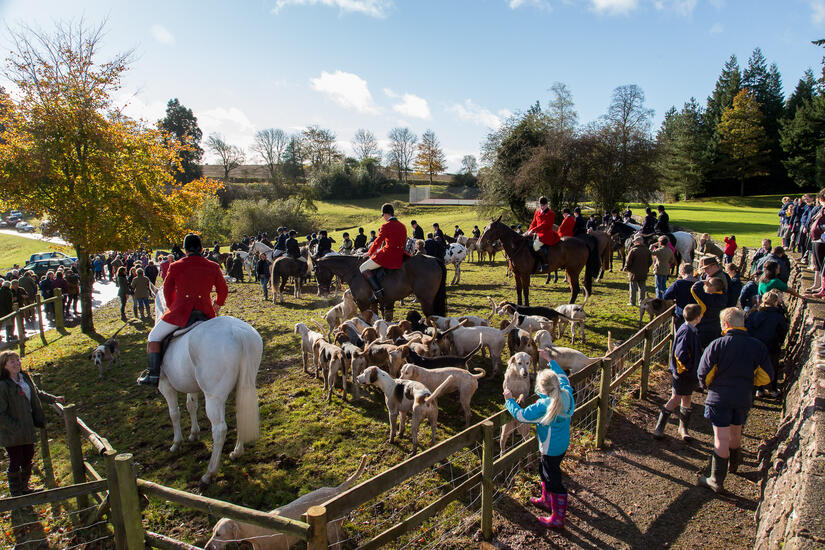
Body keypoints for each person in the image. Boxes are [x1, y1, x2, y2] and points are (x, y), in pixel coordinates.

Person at [697, 307, 773, 493]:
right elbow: (766, 376)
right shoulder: (757, 346)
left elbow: (704, 374)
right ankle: (734, 462)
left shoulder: (717, 345)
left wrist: (709, 386)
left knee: (721, 437)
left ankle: (716, 479)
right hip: (743, 396)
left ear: (725, 324)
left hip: (720, 398)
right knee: (736, 430)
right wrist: (750, 381)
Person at [138, 234, 229, 387]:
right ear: (201, 248)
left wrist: (174, 306)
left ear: (185, 249)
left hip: (180, 313)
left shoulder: (176, 266)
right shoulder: (213, 266)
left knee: (153, 336)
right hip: (205, 312)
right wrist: (217, 304)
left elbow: (167, 291)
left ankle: (153, 375)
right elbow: (223, 290)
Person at [504, 351, 575, 529]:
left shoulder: (543, 407)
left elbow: (520, 415)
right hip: (561, 444)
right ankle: (546, 498)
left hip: (549, 447)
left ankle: (558, 516)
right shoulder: (565, 392)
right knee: (544, 470)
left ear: (541, 390)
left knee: (553, 478)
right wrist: (550, 361)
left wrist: (509, 400)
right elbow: (562, 376)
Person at [0, 351, 64, 496]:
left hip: (27, 426)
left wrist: (54, 399)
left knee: (28, 456)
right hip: (12, 431)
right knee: (16, 459)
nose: (16, 363)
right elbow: (0, 413)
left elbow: (37, 393)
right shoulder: (3, 386)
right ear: (4, 366)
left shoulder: (24, 377)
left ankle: (24, 487)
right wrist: (14, 427)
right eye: (12, 362)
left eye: (17, 360)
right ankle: (16, 493)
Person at [653, 303, 703, 441]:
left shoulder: (692, 329)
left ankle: (683, 428)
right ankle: (660, 426)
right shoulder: (687, 331)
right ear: (698, 317)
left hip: (690, 373)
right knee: (675, 398)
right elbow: (680, 354)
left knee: (687, 398)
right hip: (683, 373)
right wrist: (687, 368)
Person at [360, 203, 408, 301]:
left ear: (385, 214)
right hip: (401, 254)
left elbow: (378, 241)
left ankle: (378, 293)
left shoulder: (386, 226)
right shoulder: (402, 225)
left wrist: (369, 253)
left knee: (363, 268)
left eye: (384, 216)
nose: (384, 218)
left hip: (388, 255)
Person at [746, 290, 787, 399]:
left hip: (756, 345)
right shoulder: (778, 316)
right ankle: (773, 389)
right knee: (772, 367)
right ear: (775, 302)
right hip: (772, 345)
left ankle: (759, 389)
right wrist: (780, 342)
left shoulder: (754, 313)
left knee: (757, 366)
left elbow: (748, 328)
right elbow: (783, 330)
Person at [525, 197, 560, 273]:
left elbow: (545, 225)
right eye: (541, 205)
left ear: (547, 204)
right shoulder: (537, 211)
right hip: (537, 233)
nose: (542, 207)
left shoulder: (550, 213)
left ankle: (545, 263)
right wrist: (529, 230)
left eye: (544, 205)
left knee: (535, 245)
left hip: (546, 235)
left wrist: (533, 230)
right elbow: (534, 222)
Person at [691, 277, 727, 348]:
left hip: (704, 327)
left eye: (708, 285)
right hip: (717, 327)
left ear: (712, 287)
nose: (705, 286)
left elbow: (694, 289)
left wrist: (702, 282)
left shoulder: (708, 298)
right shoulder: (723, 297)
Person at [663, 264, 698, 329]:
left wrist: (675, 296)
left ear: (682, 272)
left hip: (682, 314)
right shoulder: (699, 284)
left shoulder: (679, 283)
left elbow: (666, 296)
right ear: (692, 272)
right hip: (696, 315)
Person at [625, 235, 651, 306]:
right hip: (643, 272)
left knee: (633, 288)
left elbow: (628, 261)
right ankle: (641, 302)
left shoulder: (633, 250)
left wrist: (627, 268)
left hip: (634, 272)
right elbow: (650, 262)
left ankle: (632, 302)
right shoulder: (647, 250)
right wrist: (646, 268)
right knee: (642, 288)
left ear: (636, 242)